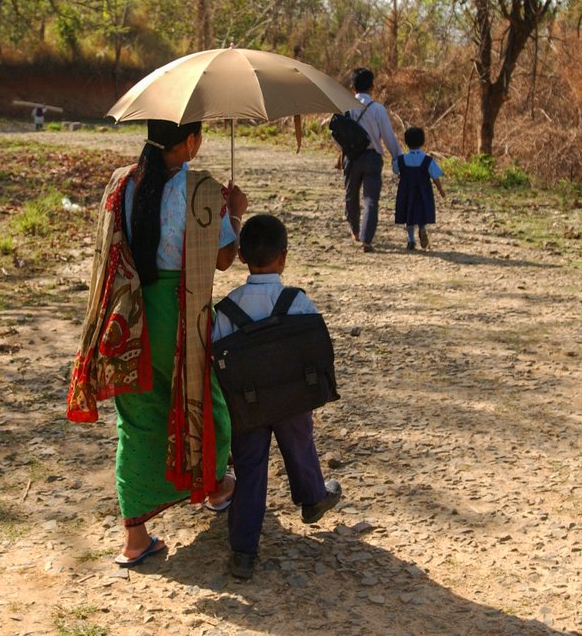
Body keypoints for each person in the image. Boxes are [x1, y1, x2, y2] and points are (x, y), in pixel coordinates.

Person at [67, 120, 248, 568]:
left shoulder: (121, 181)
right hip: (179, 313)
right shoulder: (202, 190)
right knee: (204, 402)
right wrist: (236, 213)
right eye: (198, 136)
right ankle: (216, 487)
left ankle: (135, 537)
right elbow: (224, 260)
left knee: (136, 420)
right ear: (189, 141)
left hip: (126, 317)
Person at [211, 214, 343, 581]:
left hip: (247, 407)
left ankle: (242, 551)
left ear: (240, 257)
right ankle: (313, 498)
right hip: (291, 401)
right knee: (300, 445)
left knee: (250, 469)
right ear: (283, 257)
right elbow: (317, 351)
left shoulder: (225, 313)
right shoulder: (298, 302)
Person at [342, 68, 401, 252]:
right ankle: (367, 240)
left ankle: (355, 231)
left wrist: (344, 149)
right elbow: (388, 135)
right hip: (372, 158)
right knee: (371, 199)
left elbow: (335, 133)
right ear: (372, 87)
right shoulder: (377, 109)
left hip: (351, 158)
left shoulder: (346, 107)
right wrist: (398, 158)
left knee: (351, 195)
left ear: (352, 87)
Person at [393, 126, 446, 250]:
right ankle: (422, 227)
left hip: (405, 191)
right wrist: (441, 191)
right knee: (421, 212)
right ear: (422, 141)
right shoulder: (427, 160)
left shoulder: (401, 160)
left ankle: (411, 239)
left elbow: (395, 170)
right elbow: (435, 176)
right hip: (423, 191)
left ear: (406, 141)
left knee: (407, 214)